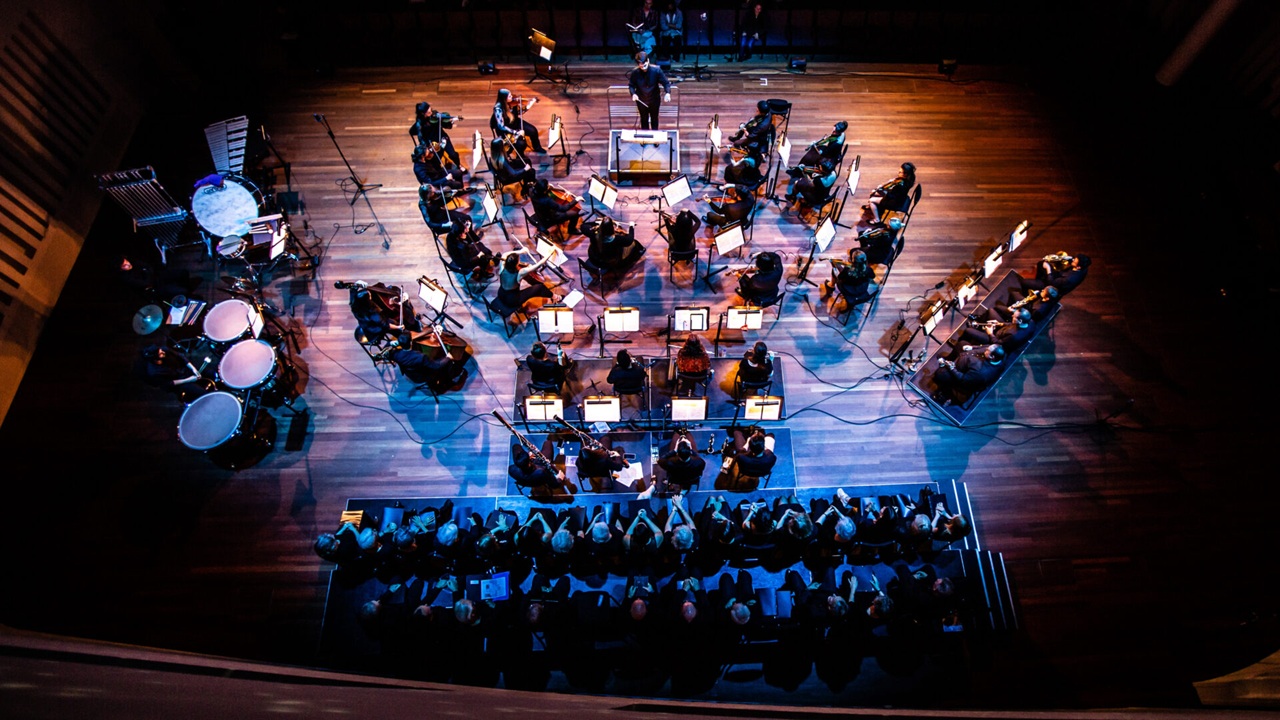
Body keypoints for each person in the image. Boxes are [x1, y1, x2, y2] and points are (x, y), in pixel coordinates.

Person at [386, 332, 468, 393]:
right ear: (411, 342)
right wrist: (447, 358)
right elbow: (436, 366)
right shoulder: (420, 356)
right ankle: (444, 385)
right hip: (422, 377)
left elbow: (386, 349)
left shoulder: (395, 354)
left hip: (410, 374)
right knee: (446, 364)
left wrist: (391, 343)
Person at [933, 344, 1005, 403]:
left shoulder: (981, 372)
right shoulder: (1000, 358)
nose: (985, 350)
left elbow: (962, 379)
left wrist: (952, 368)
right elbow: (985, 347)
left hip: (965, 378)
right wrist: (972, 347)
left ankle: (945, 394)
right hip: (969, 366)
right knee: (960, 345)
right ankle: (949, 359)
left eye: (987, 351)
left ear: (992, 357)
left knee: (940, 374)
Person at [409, 100, 463, 168]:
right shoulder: (419, 124)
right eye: (428, 111)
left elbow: (444, 124)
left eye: (430, 108)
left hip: (442, 138)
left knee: (453, 155)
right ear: (423, 114)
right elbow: (421, 139)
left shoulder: (435, 114)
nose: (430, 112)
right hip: (432, 143)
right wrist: (427, 147)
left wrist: (449, 121)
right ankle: (440, 173)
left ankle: (458, 165)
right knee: (435, 161)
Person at [961, 307, 1036, 354]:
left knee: (968, 330)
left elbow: (998, 344)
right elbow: (1012, 324)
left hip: (993, 340)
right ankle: (977, 322)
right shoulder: (1030, 321)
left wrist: (990, 333)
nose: (1012, 316)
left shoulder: (1013, 336)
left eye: (1014, 316)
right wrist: (999, 324)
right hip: (1002, 331)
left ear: (1020, 321)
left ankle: (962, 341)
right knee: (991, 311)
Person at [627, 51, 671, 131]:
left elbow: (666, 83)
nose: (642, 66)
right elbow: (631, 85)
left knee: (654, 119)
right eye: (640, 64)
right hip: (641, 100)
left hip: (654, 99)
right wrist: (633, 94)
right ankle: (645, 137)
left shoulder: (656, 70)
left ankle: (655, 138)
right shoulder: (635, 73)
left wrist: (667, 93)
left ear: (648, 61)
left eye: (644, 63)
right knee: (644, 119)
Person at [491, 88, 544, 153]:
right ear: (504, 98)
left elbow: (519, 112)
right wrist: (516, 132)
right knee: (521, 143)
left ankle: (537, 147)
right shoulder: (498, 108)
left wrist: (530, 104)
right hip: (506, 129)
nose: (512, 97)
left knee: (533, 130)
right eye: (510, 96)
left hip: (515, 122)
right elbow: (501, 126)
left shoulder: (512, 103)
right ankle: (520, 157)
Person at [444, 218, 496, 283]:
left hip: (462, 254)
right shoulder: (461, 246)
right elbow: (467, 261)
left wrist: (469, 229)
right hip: (464, 262)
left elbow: (475, 240)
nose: (466, 231)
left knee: (480, 245)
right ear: (460, 234)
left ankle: (490, 258)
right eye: (464, 231)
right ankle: (483, 273)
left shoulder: (451, 236)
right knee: (483, 257)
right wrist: (478, 256)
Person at [137, 345, 204, 395]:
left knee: (211, 372)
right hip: (180, 381)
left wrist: (193, 369)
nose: (163, 352)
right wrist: (189, 380)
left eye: (161, 350)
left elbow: (181, 357)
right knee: (202, 393)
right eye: (160, 353)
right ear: (155, 359)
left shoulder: (165, 350)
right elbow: (169, 383)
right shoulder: (154, 372)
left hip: (186, 370)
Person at [488, 138, 536, 202]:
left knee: (527, 161)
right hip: (508, 178)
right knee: (531, 171)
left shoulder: (492, 157)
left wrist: (508, 160)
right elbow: (514, 173)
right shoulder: (502, 160)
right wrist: (525, 169)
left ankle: (529, 180)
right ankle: (525, 190)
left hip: (505, 172)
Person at [1024, 252, 1091, 296]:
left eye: (1074, 261)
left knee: (1024, 282)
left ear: (1078, 267)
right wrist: (1063, 258)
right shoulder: (1083, 267)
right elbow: (1072, 259)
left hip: (1053, 286)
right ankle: (1038, 280)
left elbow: (1052, 283)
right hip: (1058, 277)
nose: (1072, 260)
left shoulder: (1069, 279)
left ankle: (1032, 291)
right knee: (1041, 263)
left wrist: (1048, 269)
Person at [995, 285, 1059, 324]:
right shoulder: (1050, 299)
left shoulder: (1038, 310)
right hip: (1028, 305)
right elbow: (1038, 296)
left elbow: (1027, 317)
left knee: (997, 306)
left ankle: (1008, 316)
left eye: (1043, 291)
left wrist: (1014, 311)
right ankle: (1009, 307)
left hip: (1025, 313)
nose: (1041, 290)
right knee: (1013, 293)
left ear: (1047, 298)